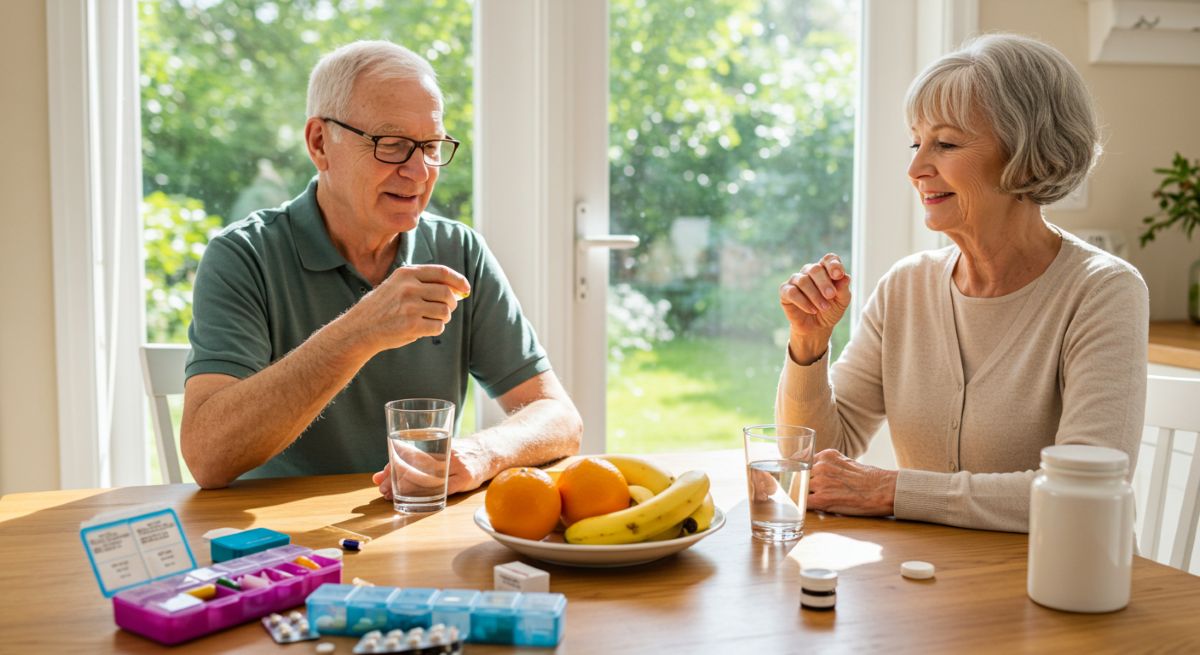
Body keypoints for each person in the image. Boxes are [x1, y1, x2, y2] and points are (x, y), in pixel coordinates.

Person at [775, 34, 1148, 533]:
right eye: (916, 142)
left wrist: (891, 490)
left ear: (1029, 155)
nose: (915, 168)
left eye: (945, 144)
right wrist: (808, 345)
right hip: (928, 582)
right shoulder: (904, 287)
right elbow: (820, 464)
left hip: (1056, 588)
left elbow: (1085, 492)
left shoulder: (1103, 291)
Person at [181, 41, 582, 495]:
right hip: (284, 551)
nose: (418, 171)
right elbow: (207, 457)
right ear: (319, 143)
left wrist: (483, 452)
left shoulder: (458, 250)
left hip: (416, 529)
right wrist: (360, 331)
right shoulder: (243, 256)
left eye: (430, 146)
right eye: (392, 145)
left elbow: (558, 416)